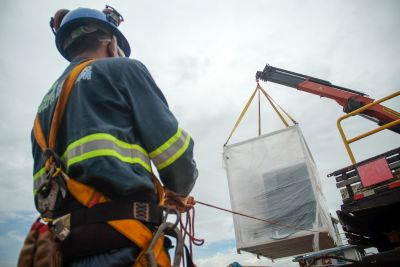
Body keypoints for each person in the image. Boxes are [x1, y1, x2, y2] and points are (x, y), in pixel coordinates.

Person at [31, 5, 198, 267]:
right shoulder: (124, 69)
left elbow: (42, 193)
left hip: (65, 252)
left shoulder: (42, 112)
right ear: (111, 44)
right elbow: (176, 156)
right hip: (124, 247)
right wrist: (178, 192)